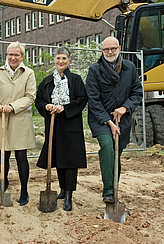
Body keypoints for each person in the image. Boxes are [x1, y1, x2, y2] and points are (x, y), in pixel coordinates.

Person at [86, 36, 142, 203]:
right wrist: (109, 122)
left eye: (113, 48)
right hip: (100, 119)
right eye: (106, 49)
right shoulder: (95, 69)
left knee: (117, 152)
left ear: (119, 49)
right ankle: (108, 192)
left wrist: (125, 107)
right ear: (102, 51)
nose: (110, 52)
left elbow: (137, 93)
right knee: (107, 146)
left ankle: (113, 189)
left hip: (122, 119)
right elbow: (93, 99)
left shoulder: (130, 68)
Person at [35, 46, 87, 211]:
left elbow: (82, 99)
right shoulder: (47, 81)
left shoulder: (76, 80)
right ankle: (63, 190)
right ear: (54, 60)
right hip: (54, 125)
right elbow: (39, 101)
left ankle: (69, 195)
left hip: (71, 125)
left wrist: (66, 107)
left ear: (69, 61)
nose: (61, 61)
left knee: (70, 160)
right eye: (58, 58)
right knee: (58, 158)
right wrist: (47, 106)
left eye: (64, 58)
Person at [0, 41, 36, 206]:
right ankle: (4, 182)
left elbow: (30, 96)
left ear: (22, 56)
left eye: (16, 54)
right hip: (1, 118)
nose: (13, 57)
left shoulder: (28, 73)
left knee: (21, 156)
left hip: (19, 119)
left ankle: (24, 190)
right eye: (10, 54)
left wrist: (12, 107)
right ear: (6, 55)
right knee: (3, 155)